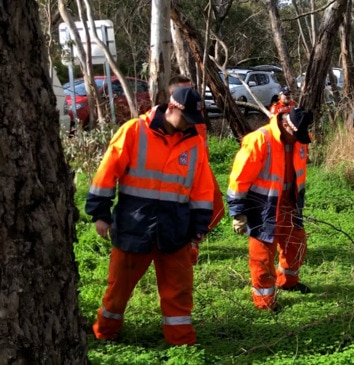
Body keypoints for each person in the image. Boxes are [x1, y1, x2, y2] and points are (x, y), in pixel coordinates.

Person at [85, 87, 215, 345]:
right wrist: (100, 213)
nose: (189, 124)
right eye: (186, 118)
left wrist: (200, 224)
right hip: (134, 225)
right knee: (118, 289)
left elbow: (202, 187)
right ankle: (105, 332)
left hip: (175, 229)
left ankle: (181, 342)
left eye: (193, 120)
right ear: (172, 108)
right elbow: (106, 173)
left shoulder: (195, 143)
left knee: (179, 291)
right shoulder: (134, 131)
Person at [227, 107, 314, 311]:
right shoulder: (259, 140)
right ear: (285, 125)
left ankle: (288, 282)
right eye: (296, 136)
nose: (298, 140)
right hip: (262, 207)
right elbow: (239, 179)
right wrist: (238, 212)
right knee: (262, 256)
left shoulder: (299, 138)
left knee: (296, 245)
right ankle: (264, 303)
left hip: (290, 203)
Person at [165, 75, 225, 264]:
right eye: (184, 89)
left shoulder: (196, 116)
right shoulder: (171, 117)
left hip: (201, 169)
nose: (190, 93)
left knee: (216, 207)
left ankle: (194, 239)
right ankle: (189, 249)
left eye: (192, 89)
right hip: (180, 174)